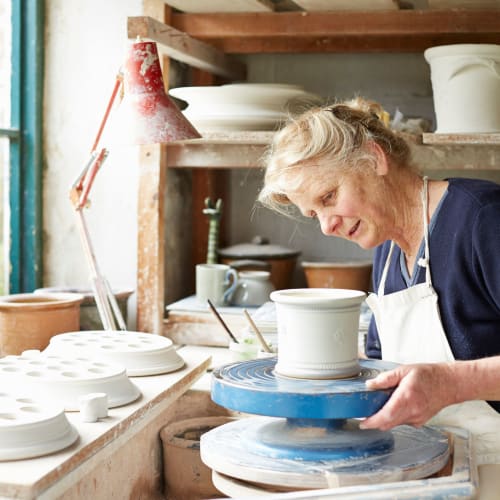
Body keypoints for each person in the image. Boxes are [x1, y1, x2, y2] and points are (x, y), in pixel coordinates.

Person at [257, 97, 500, 465]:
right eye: (313, 214)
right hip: (437, 466)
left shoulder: (484, 219)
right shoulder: (386, 254)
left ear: (374, 159)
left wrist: (451, 383)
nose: (327, 226)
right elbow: (385, 369)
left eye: (329, 196)